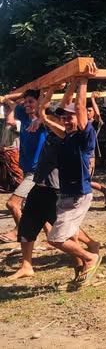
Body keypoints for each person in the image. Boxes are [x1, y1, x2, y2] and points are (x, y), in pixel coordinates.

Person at [8, 86, 99, 281]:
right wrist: (53, 89)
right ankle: (27, 266)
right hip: (40, 187)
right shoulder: (53, 132)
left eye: (66, 118)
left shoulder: (68, 137)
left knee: (65, 233)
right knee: (28, 225)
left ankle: (84, 260)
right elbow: (44, 110)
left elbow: (70, 108)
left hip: (56, 190)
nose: (64, 120)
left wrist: (75, 83)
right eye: (62, 117)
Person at [46, 65, 102, 287]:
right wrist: (70, 83)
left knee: (56, 239)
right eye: (65, 119)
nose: (68, 121)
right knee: (70, 236)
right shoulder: (66, 135)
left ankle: (90, 258)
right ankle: (79, 271)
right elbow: (57, 110)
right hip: (66, 193)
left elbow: (79, 107)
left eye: (71, 118)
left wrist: (83, 79)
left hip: (78, 194)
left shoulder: (84, 136)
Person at [0, 89, 48, 244]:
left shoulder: (44, 121)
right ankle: (49, 238)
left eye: (31, 101)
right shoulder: (23, 116)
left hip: (37, 171)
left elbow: (44, 107)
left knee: (12, 204)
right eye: (25, 102)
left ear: (39, 103)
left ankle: (22, 235)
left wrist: (40, 92)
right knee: (37, 207)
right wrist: (22, 94)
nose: (27, 104)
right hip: (27, 170)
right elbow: (8, 100)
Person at [0, 102, 22, 193]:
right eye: (5, 107)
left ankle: (21, 193)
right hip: (4, 152)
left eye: (8, 107)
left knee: (17, 175)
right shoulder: (3, 122)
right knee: (5, 174)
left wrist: (12, 107)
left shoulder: (18, 121)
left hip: (13, 152)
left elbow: (10, 121)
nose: (6, 109)